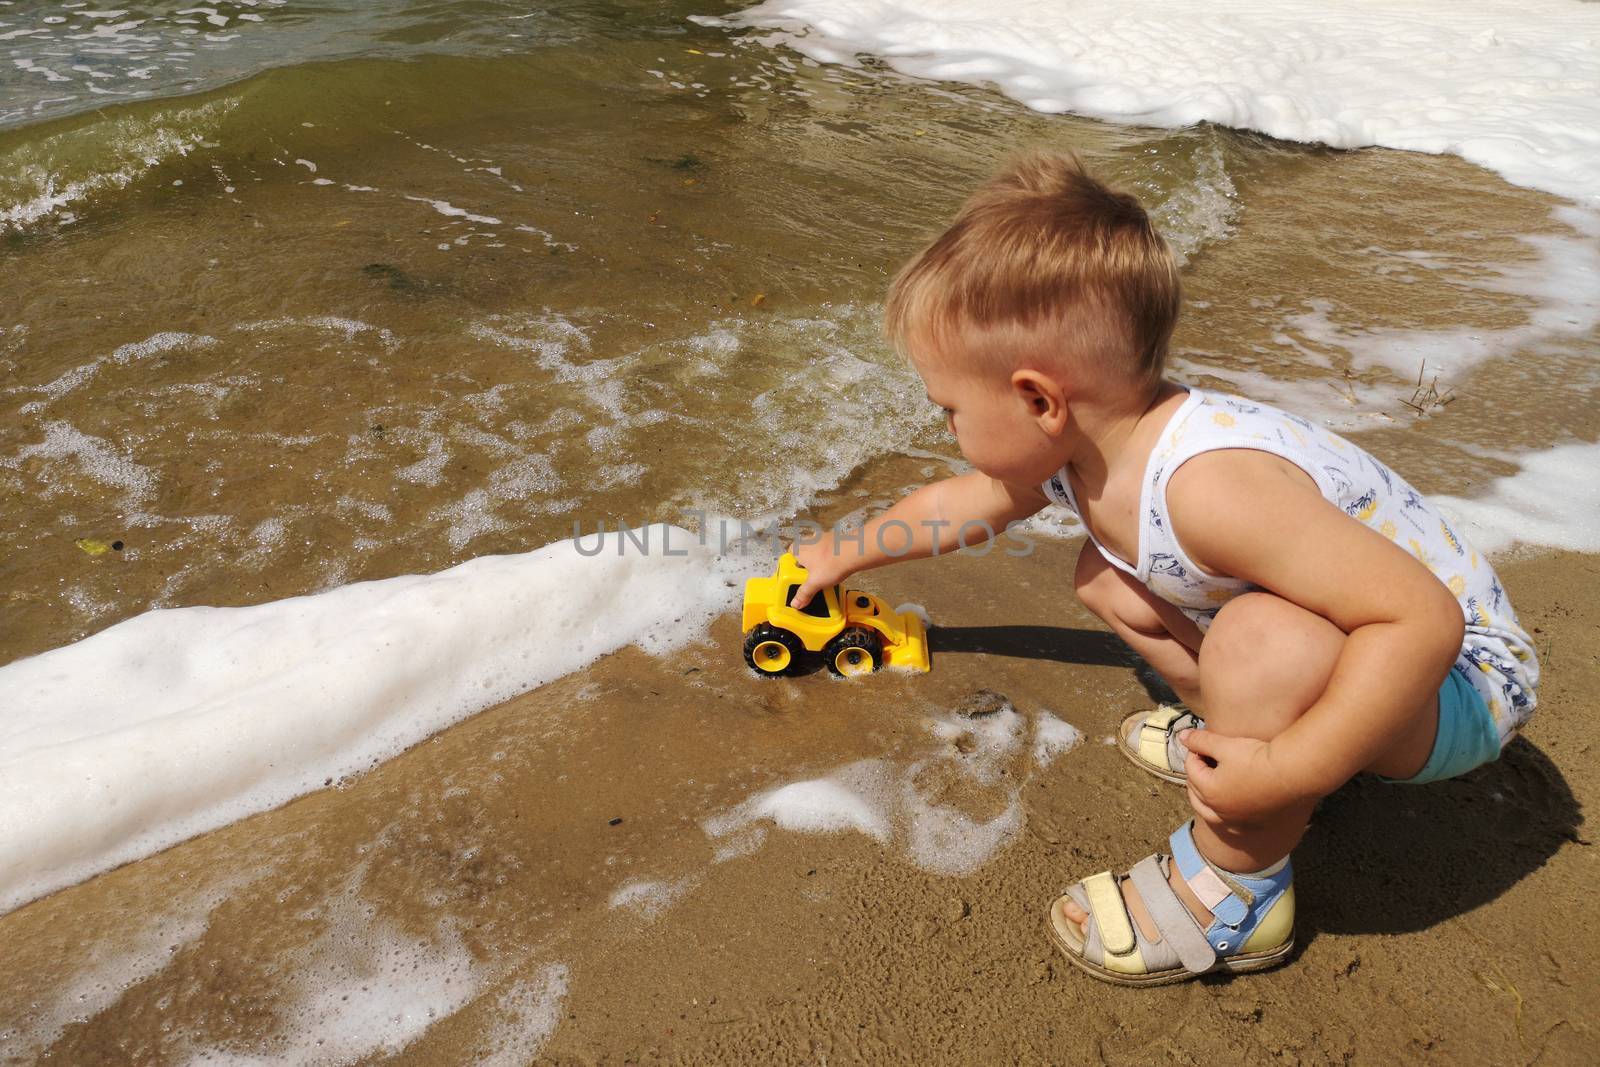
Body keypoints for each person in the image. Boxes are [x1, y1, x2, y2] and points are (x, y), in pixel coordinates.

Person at [787, 152, 1539, 985]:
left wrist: (1291, 771)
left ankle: (1237, 889)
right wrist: (837, 553)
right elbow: (956, 506)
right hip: (1378, 646)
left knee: (1259, 639)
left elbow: (1421, 620)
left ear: (1039, 400)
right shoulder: (1089, 442)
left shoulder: (1210, 487)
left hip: (1460, 678)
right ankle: (1242, 734)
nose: (947, 424)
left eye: (950, 408)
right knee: (1104, 573)